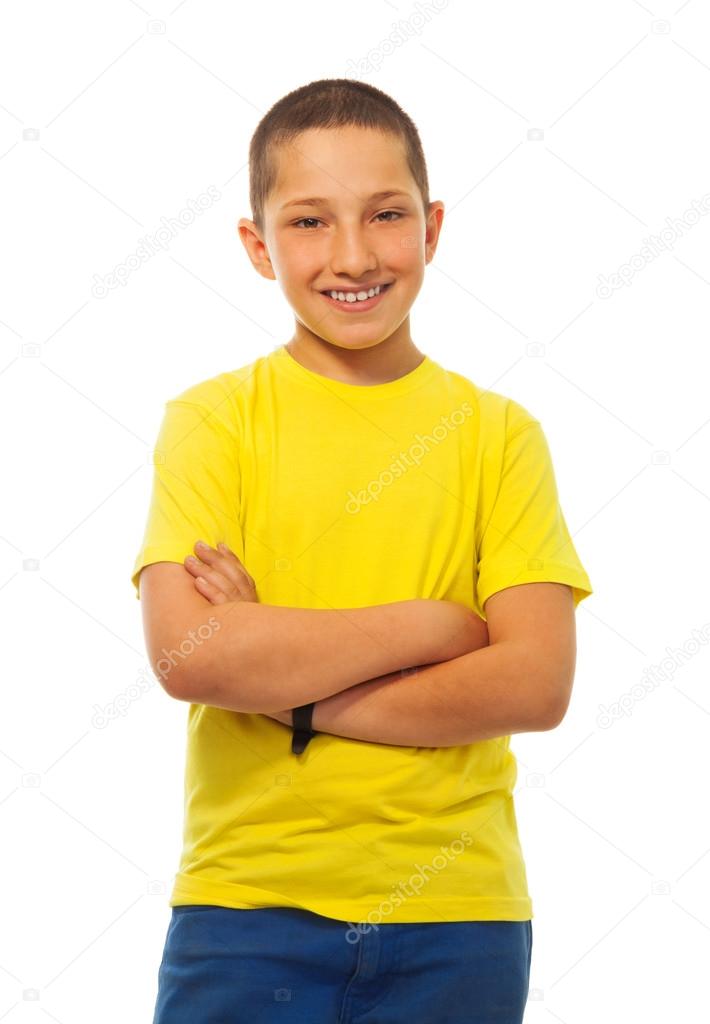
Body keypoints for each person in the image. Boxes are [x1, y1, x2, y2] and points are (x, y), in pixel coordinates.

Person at [132, 77, 593, 1024]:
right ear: (258, 247)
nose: (352, 255)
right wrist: (433, 624)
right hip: (246, 905)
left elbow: (536, 684)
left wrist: (284, 682)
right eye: (308, 222)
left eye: (384, 215)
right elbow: (192, 658)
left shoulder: (499, 436)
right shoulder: (214, 423)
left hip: (459, 916)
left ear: (430, 228)